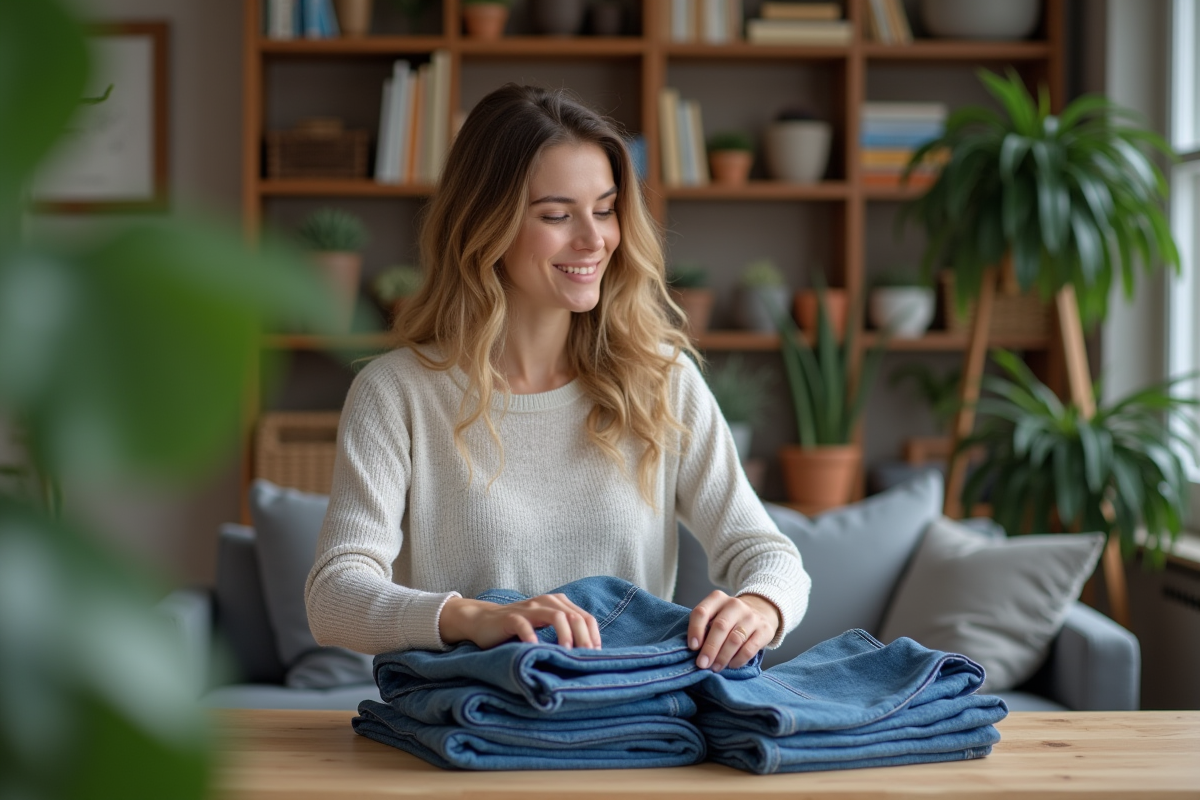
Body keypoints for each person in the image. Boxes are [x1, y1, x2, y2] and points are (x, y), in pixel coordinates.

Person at [305, 83, 810, 674]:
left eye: (604, 209)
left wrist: (759, 607)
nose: (594, 239)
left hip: (631, 726)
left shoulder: (661, 382)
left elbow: (768, 554)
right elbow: (334, 595)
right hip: (475, 728)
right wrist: (471, 617)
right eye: (556, 215)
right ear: (484, 225)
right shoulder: (398, 393)